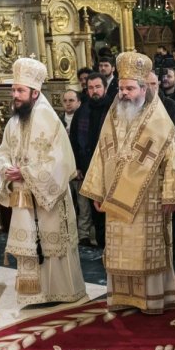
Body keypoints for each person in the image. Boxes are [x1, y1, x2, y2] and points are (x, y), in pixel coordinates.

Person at [81, 51, 175, 313]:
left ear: (144, 89)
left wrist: (171, 196)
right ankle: (122, 297)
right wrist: (97, 190)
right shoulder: (114, 116)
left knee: (146, 250)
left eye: (130, 88)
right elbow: (102, 152)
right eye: (121, 88)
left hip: (149, 199)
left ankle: (152, 299)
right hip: (114, 198)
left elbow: (174, 156)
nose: (124, 93)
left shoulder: (159, 120)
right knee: (120, 250)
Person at [0, 58, 88, 308]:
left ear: (35, 93)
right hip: (24, 194)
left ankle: (59, 291)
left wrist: (26, 172)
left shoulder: (47, 118)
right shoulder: (14, 121)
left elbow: (61, 160)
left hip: (49, 195)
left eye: (20, 90)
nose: (15, 95)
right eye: (13, 89)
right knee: (31, 244)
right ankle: (35, 294)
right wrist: (6, 168)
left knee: (51, 243)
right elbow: (2, 151)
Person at [69, 72, 112, 246]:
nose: (94, 91)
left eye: (98, 87)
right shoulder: (82, 110)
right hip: (88, 167)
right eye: (91, 88)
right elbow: (73, 140)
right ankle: (101, 244)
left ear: (105, 88)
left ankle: (113, 245)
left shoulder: (113, 108)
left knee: (110, 208)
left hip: (109, 166)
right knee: (95, 210)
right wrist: (77, 167)